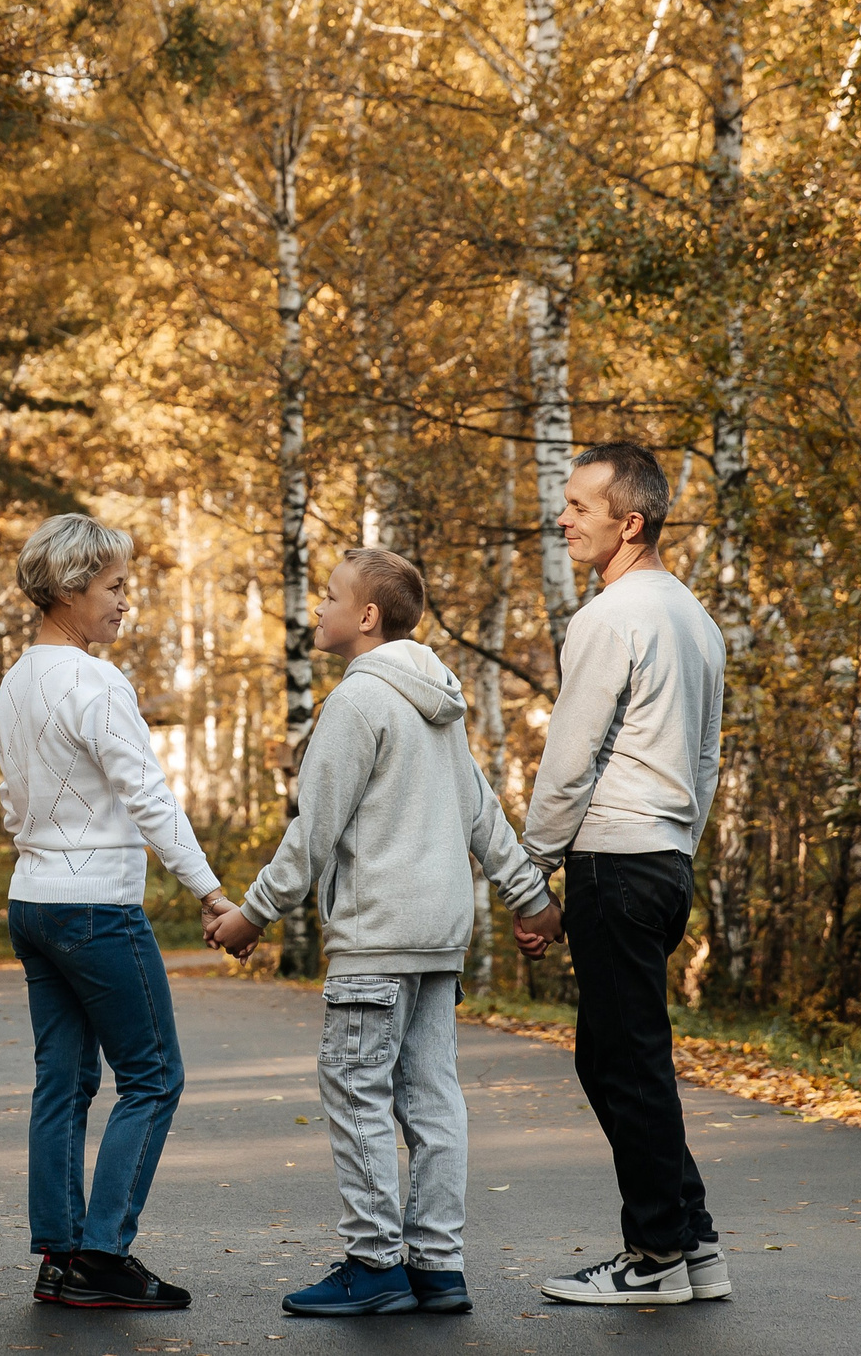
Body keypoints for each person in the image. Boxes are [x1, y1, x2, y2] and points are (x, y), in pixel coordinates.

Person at [210, 548, 554, 1318]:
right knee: (433, 1100)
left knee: (355, 1090)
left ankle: (374, 1264)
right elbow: (484, 815)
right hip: (437, 942)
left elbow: (314, 831)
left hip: (376, 939)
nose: (318, 609)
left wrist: (252, 913)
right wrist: (530, 898)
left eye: (329, 597)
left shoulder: (358, 702)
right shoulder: (439, 703)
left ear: (366, 616)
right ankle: (436, 1264)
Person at [0, 513, 231, 1312]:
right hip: (94, 907)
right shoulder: (95, 683)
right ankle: (102, 1255)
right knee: (154, 1075)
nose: (126, 601)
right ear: (68, 588)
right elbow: (151, 800)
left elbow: (12, 800)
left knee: (62, 1080)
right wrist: (209, 889)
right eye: (115, 587)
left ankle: (60, 1257)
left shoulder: (17, 681)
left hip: (33, 902)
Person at [510, 442, 730, 1307]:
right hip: (665, 859)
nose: (562, 517)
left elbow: (569, 761)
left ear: (628, 521)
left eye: (577, 505)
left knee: (625, 1062)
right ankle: (694, 1241)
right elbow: (706, 761)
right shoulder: (696, 619)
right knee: (621, 1057)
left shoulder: (609, 617)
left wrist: (534, 879)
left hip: (614, 859)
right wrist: (679, 843)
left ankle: (654, 1257)